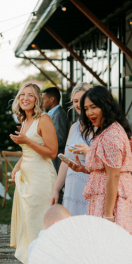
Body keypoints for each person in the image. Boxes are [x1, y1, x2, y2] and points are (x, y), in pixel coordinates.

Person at [69, 86, 132, 248]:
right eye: (86, 109)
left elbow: (114, 176)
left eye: (94, 107)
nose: (90, 113)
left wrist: (108, 216)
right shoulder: (105, 131)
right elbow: (107, 170)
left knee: (114, 248)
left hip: (113, 202)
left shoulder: (111, 135)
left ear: (105, 106)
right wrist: (83, 169)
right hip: (106, 197)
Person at [9, 82, 58, 264]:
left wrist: (26, 141)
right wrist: (17, 167)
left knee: (37, 222)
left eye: (30, 95)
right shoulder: (25, 120)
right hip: (27, 178)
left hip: (41, 179)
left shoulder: (44, 119)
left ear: (37, 99)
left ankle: (44, 263)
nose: (25, 98)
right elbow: (28, 152)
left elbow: (52, 152)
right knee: (28, 222)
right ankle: (34, 263)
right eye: (22, 95)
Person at [50, 82, 93, 215]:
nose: (78, 104)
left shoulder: (101, 127)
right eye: (75, 101)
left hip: (90, 187)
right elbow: (66, 160)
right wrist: (56, 189)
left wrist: (89, 151)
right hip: (71, 188)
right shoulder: (74, 127)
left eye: (82, 100)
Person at [42, 87, 69, 172]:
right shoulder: (52, 113)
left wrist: (41, 137)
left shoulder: (59, 115)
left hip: (56, 161)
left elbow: (61, 140)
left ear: (52, 99)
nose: (41, 102)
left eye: (43, 99)